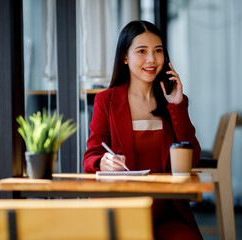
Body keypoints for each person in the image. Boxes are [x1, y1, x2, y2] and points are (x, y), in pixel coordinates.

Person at [83, 20, 202, 239]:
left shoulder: (172, 100)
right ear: (125, 58)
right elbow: (90, 157)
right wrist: (103, 162)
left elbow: (192, 159)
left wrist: (177, 105)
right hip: (122, 210)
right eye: (142, 51)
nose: (151, 59)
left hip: (168, 212)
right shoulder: (105, 101)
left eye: (158, 51)